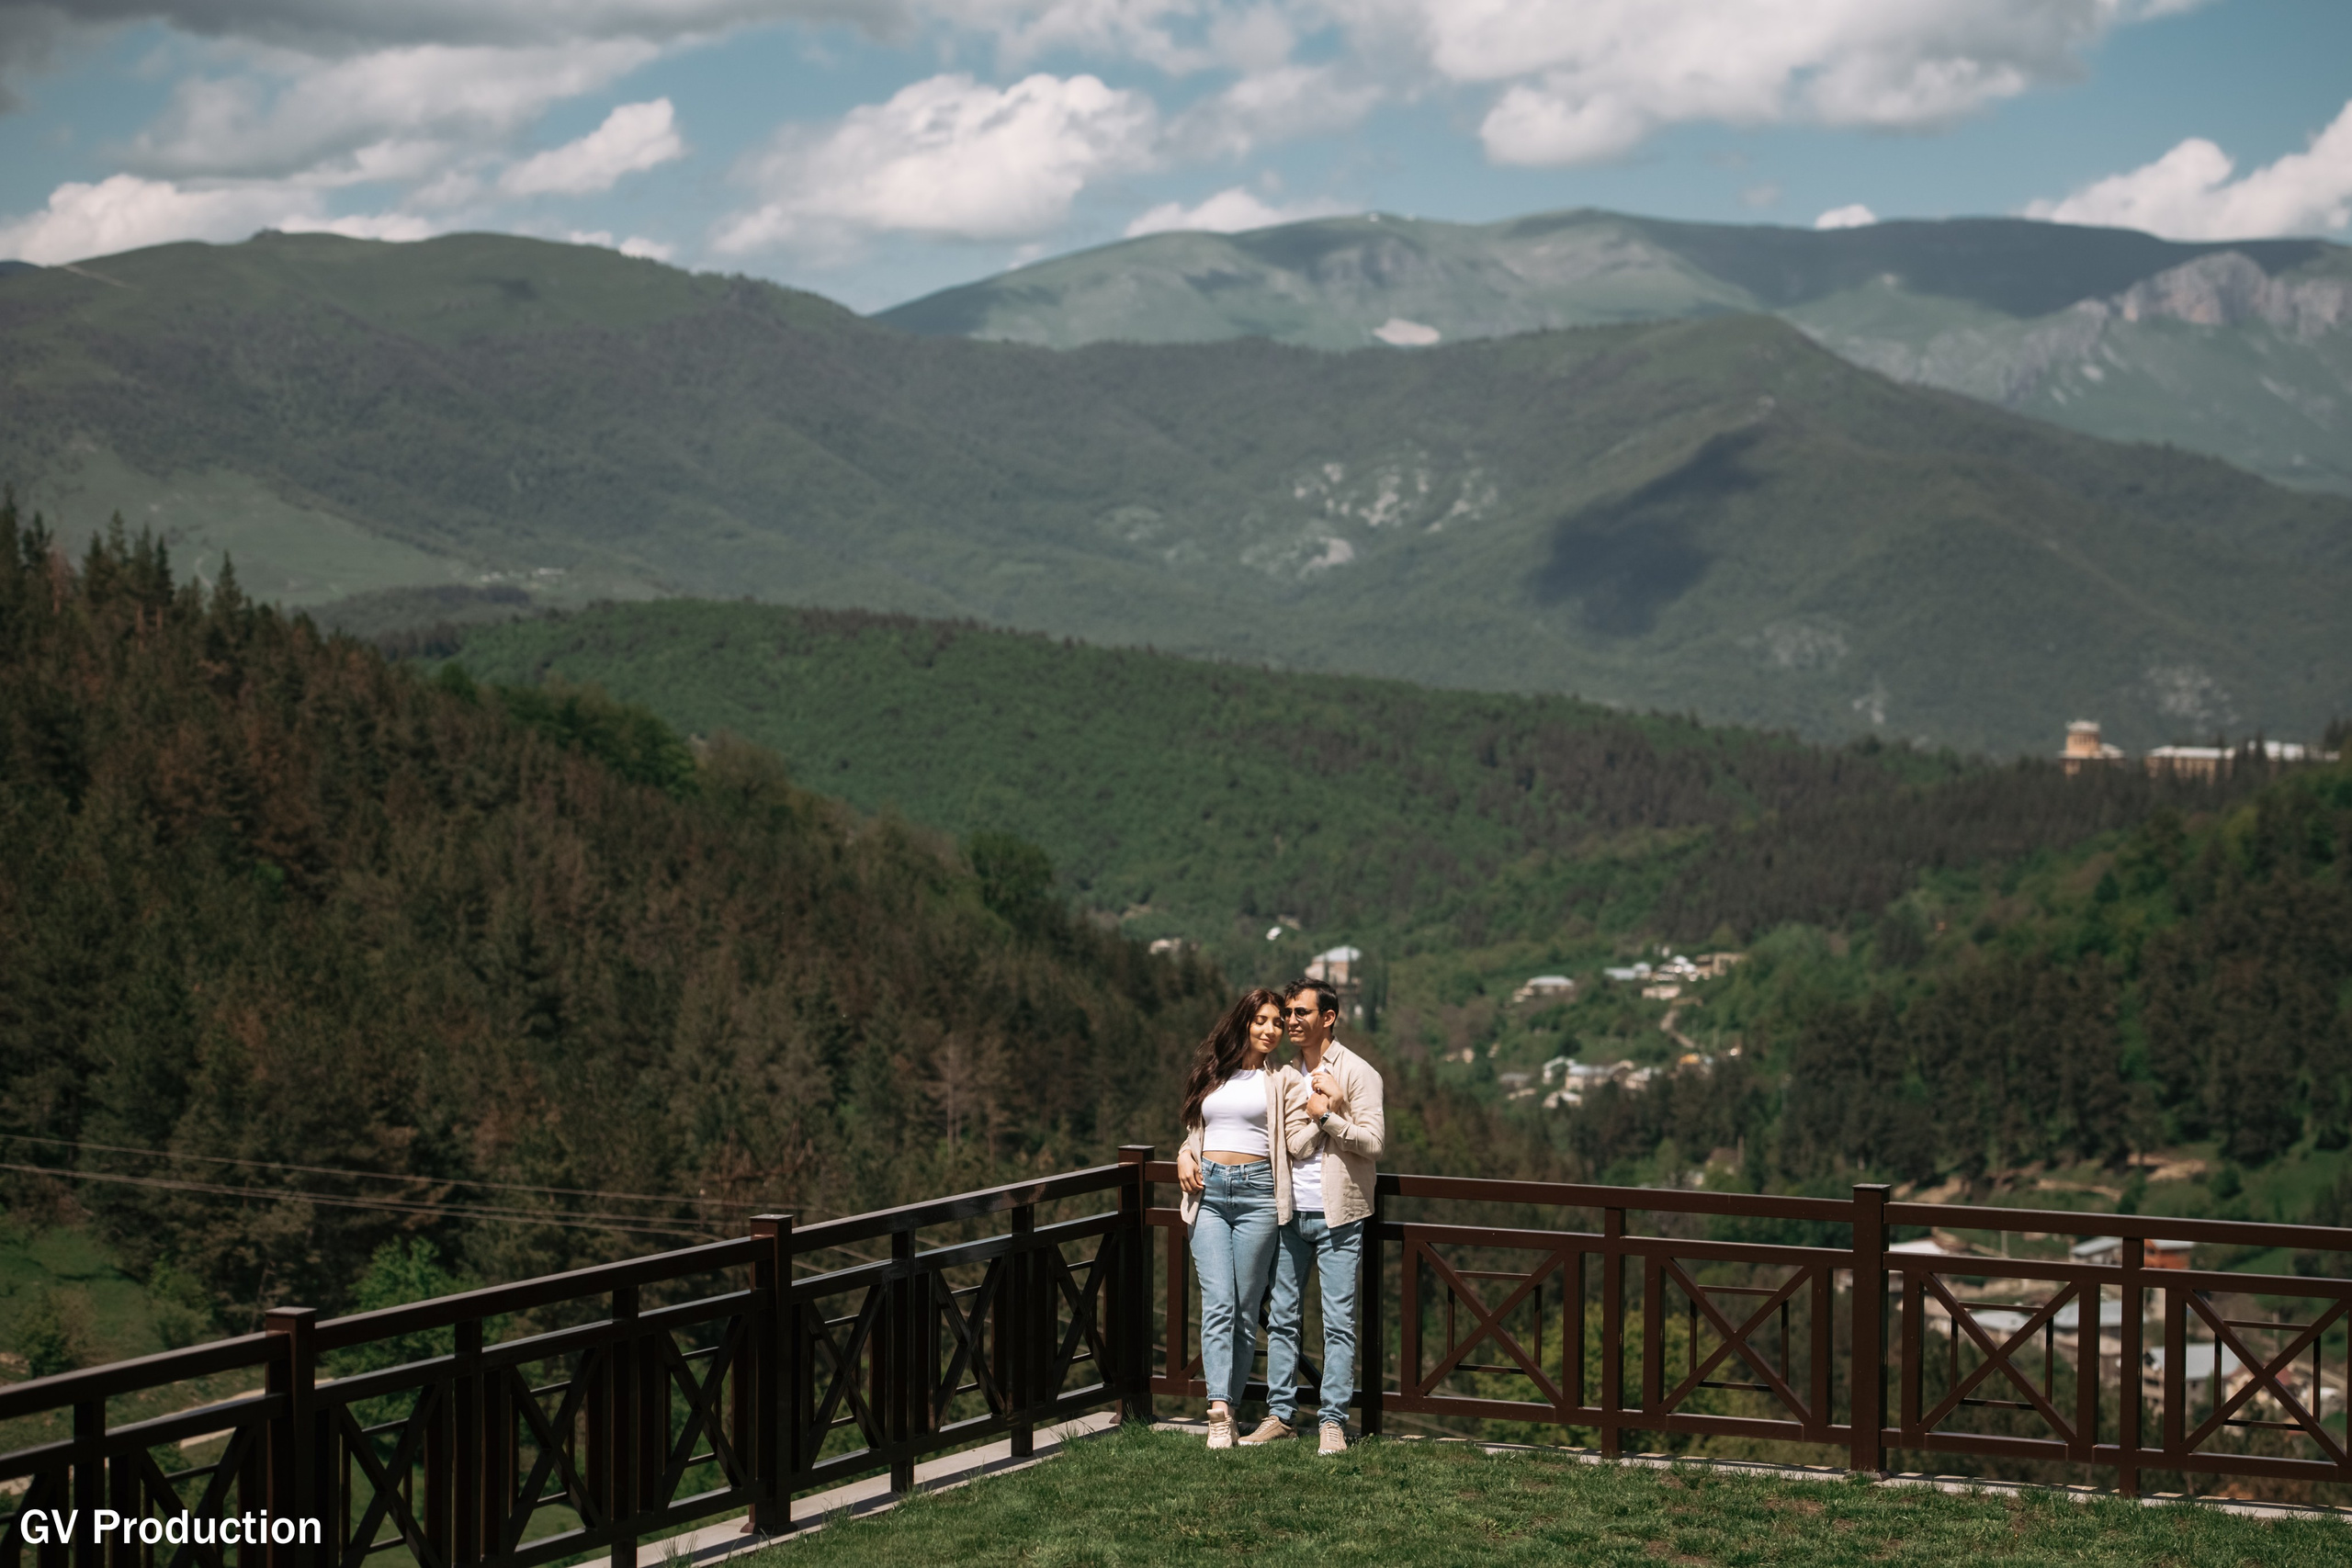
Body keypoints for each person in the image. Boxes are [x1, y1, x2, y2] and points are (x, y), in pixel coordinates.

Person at [1241, 976, 1385, 1455]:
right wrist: (1323, 1115)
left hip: (1340, 1215)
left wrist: (1328, 1115)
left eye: (1300, 1012)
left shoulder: (1359, 1072)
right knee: (1283, 1319)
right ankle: (1280, 1416)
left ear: (1328, 1017)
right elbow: (1292, 1145)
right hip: (1289, 1214)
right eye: (1288, 1013)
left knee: (1338, 1323)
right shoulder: (1283, 1076)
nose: (1291, 1021)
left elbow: (1374, 1143)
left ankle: (1332, 1423)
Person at [1175, 987, 1308, 1450]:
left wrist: (1325, 1113)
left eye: (1278, 1023)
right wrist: (1183, 1154)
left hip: (1258, 1197)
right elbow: (1197, 1129)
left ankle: (1228, 1410)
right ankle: (1219, 1412)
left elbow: (1296, 1141)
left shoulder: (1283, 1081)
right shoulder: (1212, 1072)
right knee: (1218, 1303)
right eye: (1261, 1021)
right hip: (1208, 1193)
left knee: (1244, 1311)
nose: (1271, 1030)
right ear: (1244, 1022)